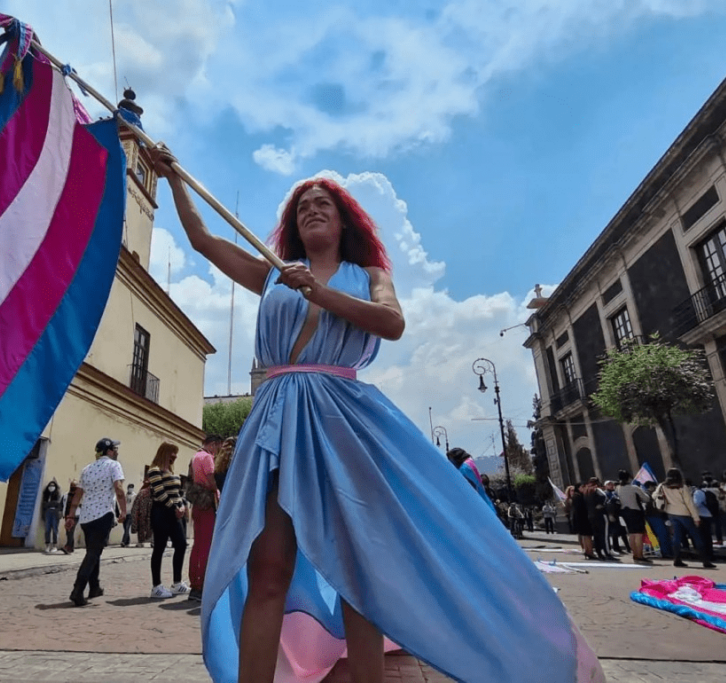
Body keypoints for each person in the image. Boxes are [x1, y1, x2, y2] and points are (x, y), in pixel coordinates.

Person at [151, 153, 603, 683]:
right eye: (302, 208)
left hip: (343, 421)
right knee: (267, 568)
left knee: (357, 574)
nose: (312, 211)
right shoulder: (273, 275)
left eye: (323, 204)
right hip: (275, 420)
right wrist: (173, 176)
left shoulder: (368, 274)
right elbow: (205, 241)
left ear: (344, 220)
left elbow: (392, 323)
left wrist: (319, 292)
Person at [66, 438, 126, 606]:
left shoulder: (87, 469)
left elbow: (78, 494)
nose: (116, 452)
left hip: (86, 517)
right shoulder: (114, 465)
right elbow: (119, 489)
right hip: (103, 514)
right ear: (109, 451)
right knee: (93, 553)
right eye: (114, 449)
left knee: (94, 550)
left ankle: (94, 587)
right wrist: (123, 511)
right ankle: (77, 591)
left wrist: (71, 515)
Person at [147, 442, 189, 598]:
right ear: (165, 452)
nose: (175, 456)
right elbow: (160, 493)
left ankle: (177, 583)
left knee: (181, 544)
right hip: (161, 512)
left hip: (174, 512)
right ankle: (156, 586)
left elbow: (178, 492)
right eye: (173, 453)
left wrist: (182, 505)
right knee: (159, 547)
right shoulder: (154, 470)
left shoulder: (171, 471)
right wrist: (174, 507)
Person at [653, 469, 714, 569]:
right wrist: (696, 517)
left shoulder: (662, 486)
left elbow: (654, 495)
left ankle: (677, 559)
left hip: (671, 513)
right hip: (684, 514)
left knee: (676, 537)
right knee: (696, 536)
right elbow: (690, 503)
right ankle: (705, 560)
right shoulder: (682, 487)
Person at [187, 435, 221, 603]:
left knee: (197, 545)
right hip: (207, 503)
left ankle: (194, 582)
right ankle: (201, 585)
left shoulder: (195, 457)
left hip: (197, 503)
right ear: (213, 444)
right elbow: (210, 481)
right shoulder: (207, 457)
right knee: (207, 545)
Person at [616, 470, 651, 563]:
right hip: (635, 511)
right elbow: (646, 498)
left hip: (624, 512)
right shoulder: (634, 487)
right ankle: (640, 555)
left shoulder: (618, 488)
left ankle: (635, 554)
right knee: (639, 534)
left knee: (631, 534)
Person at [446, 447, 496, 512]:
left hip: (479, 509)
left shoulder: (464, 469)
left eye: (451, 460)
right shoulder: (469, 464)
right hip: (486, 504)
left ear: (457, 459)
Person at [40, 479, 63, 554]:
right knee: (47, 529)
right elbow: (44, 505)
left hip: (55, 512)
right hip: (47, 513)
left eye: (53, 486)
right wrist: (50, 504)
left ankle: (54, 546)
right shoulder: (46, 495)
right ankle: (47, 545)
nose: (51, 487)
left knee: (55, 529)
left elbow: (57, 504)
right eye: (50, 485)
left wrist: (50, 504)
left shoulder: (58, 495)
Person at [61, 480, 79, 554]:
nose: (73, 487)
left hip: (75, 516)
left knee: (70, 531)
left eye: (74, 486)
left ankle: (68, 546)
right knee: (68, 532)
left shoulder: (78, 496)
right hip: (67, 515)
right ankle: (71, 547)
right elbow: (62, 504)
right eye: (72, 485)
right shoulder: (66, 495)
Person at [121, 483, 136, 547]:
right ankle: (127, 542)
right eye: (129, 487)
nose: (130, 489)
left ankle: (123, 541)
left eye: (132, 487)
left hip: (131, 514)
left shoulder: (134, 496)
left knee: (127, 528)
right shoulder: (125, 495)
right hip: (125, 514)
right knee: (125, 528)